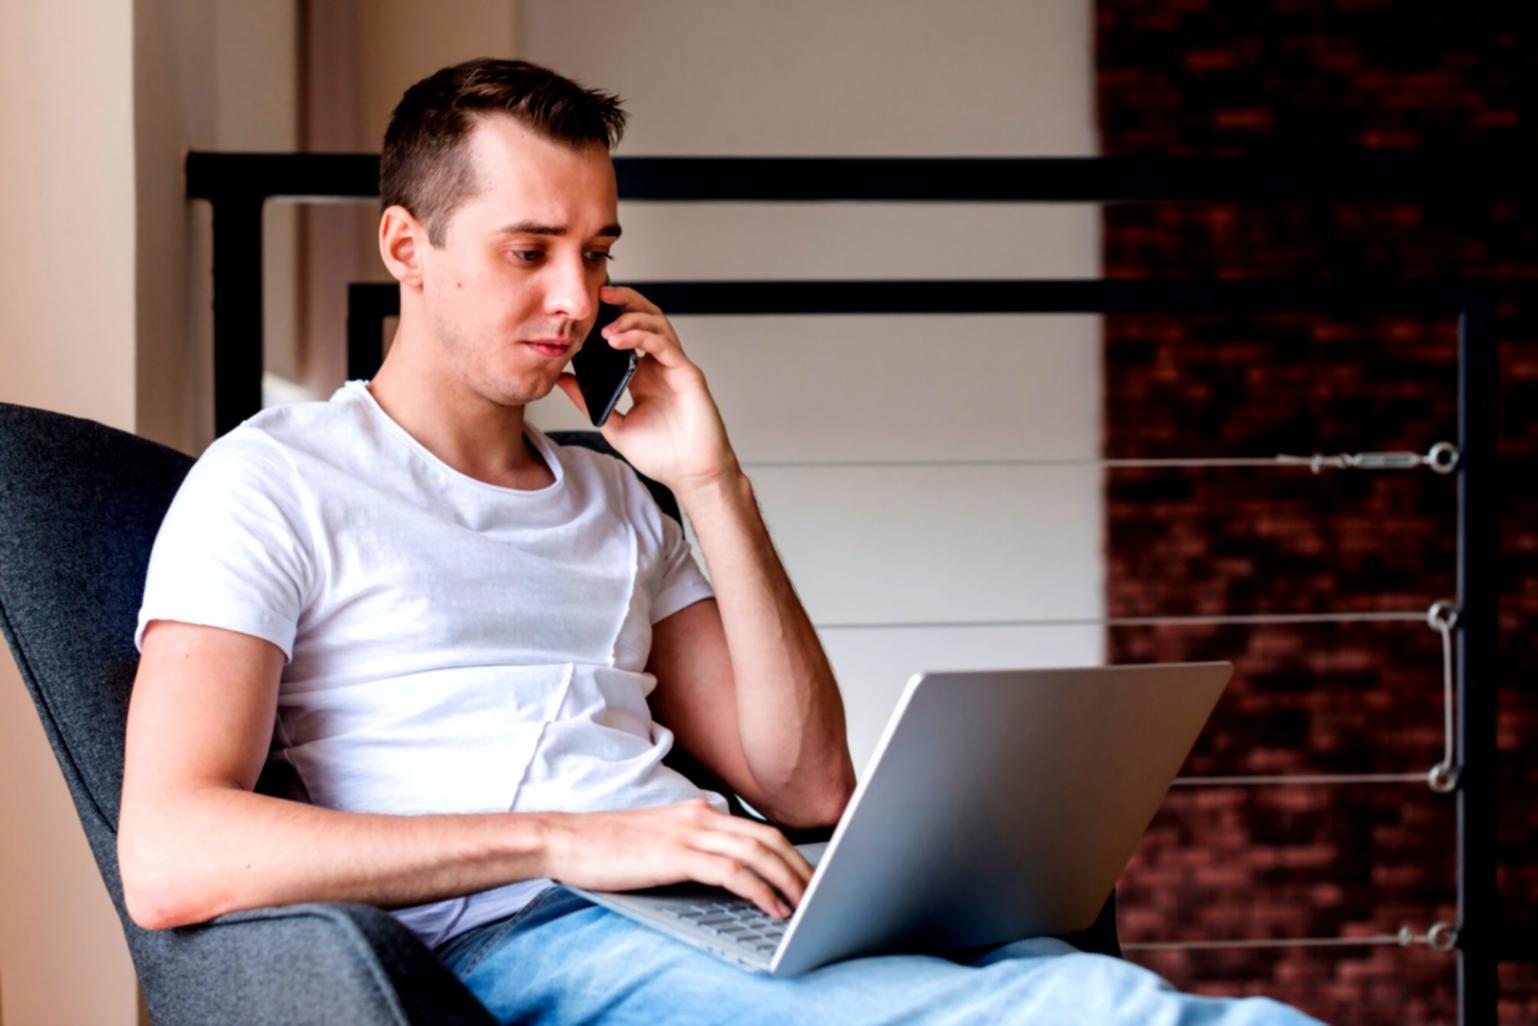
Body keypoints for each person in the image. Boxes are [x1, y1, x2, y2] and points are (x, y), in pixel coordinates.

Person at [119, 57, 1323, 1025]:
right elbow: (171, 850)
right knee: (1095, 1015)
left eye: (595, 254)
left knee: (1062, 981)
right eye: (527, 251)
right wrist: (573, 838)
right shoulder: (274, 482)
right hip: (521, 945)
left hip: (702, 906)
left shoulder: (609, 501)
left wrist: (709, 478)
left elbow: (803, 782)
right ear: (404, 251)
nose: (577, 302)